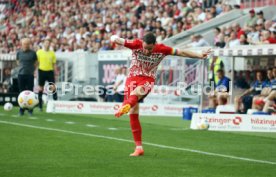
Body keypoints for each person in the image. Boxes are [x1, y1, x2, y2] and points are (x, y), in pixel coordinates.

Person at [111, 32, 211, 156]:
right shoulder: (135, 44)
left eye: (150, 49)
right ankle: (139, 147)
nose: (147, 52)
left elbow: (182, 52)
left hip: (147, 79)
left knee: (136, 94)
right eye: (145, 48)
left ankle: (126, 105)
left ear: (155, 45)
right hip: (132, 78)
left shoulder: (162, 49)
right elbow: (117, 39)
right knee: (134, 111)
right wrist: (114, 38)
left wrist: (199, 55)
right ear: (142, 43)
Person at [16, 38, 37, 116]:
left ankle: (30, 110)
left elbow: (36, 62)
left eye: (27, 44)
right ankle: (21, 110)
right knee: (21, 93)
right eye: (24, 44)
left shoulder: (33, 53)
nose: (26, 45)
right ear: (22, 44)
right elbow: (18, 61)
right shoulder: (18, 53)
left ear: (29, 44)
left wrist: (32, 70)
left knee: (30, 93)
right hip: (21, 74)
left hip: (30, 75)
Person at [36, 39, 58, 111]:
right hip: (41, 71)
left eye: (48, 43)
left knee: (53, 87)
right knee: (40, 88)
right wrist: (35, 71)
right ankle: (40, 106)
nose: (47, 44)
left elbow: (54, 63)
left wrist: (55, 72)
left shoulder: (52, 53)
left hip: (50, 71)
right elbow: (37, 63)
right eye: (46, 43)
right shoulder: (39, 52)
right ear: (43, 44)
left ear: (50, 44)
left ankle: (56, 103)